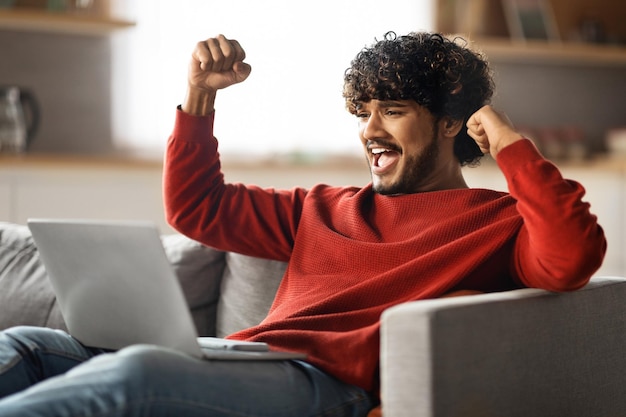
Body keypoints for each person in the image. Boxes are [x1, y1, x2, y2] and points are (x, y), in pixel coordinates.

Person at [0, 32, 605, 417]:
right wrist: (199, 96)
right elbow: (197, 208)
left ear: (451, 122)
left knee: (137, 372)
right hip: (243, 362)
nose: (370, 129)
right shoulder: (319, 207)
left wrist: (508, 143)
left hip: (323, 387)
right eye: (363, 112)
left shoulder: (497, 223)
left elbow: (570, 257)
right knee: (25, 345)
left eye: (393, 110)